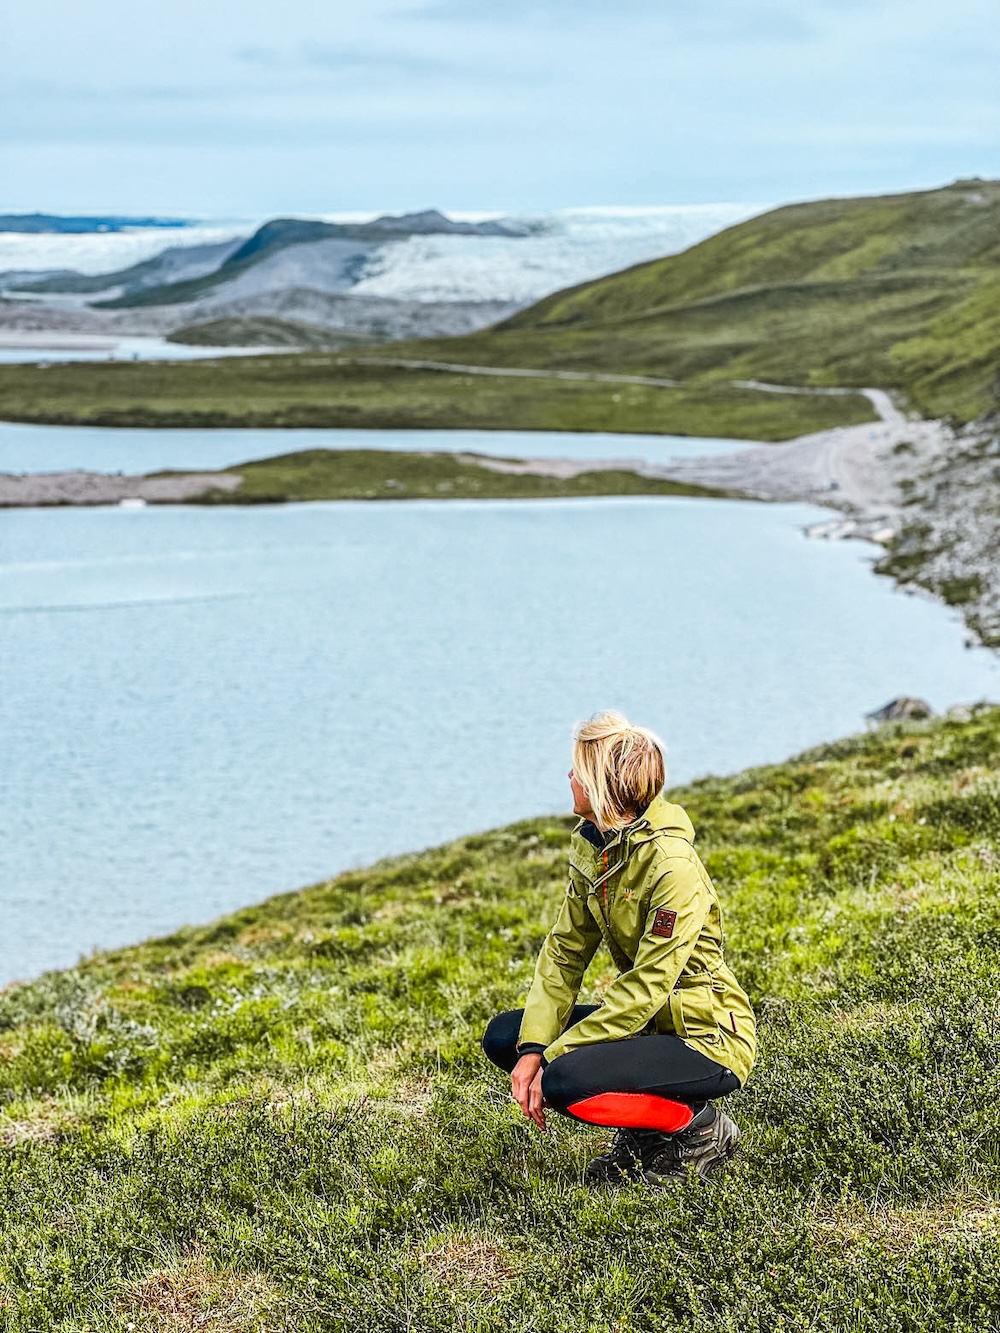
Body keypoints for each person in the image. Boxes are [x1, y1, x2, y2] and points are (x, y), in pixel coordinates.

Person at [482, 711, 756, 1186]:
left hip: (707, 1038)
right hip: (649, 1028)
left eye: (578, 770)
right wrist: (532, 1049)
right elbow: (565, 951)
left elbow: (646, 988)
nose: (569, 776)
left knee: (566, 1081)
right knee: (506, 1037)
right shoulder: (597, 847)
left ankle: (700, 1131)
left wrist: (551, 1060)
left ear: (602, 788)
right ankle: (646, 1138)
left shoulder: (672, 867)